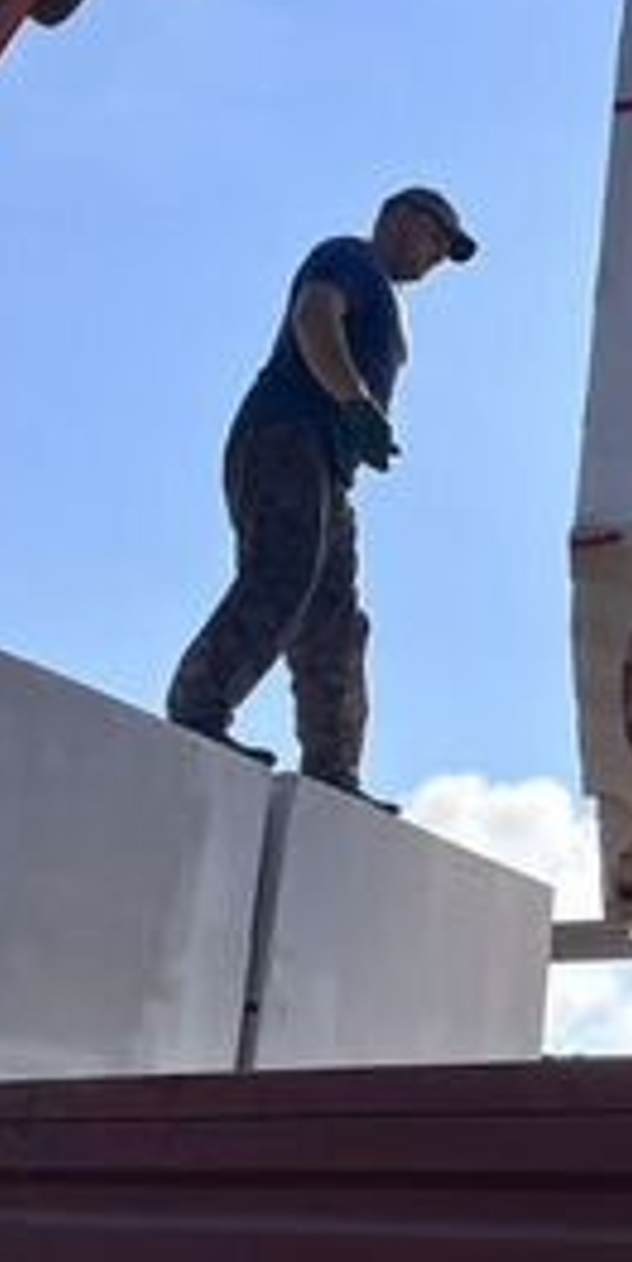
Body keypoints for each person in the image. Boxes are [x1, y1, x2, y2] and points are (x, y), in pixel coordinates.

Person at [166, 184, 477, 800]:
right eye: (435, 238)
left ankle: (333, 774)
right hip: (287, 435)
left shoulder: (380, 291)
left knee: (336, 622)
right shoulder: (349, 257)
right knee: (284, 571)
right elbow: (314, 316)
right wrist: (354, 403)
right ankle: (200, 703)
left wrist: (357, 425)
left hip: (328, 470)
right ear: (398, 219)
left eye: (446, 251)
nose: (437, 258)